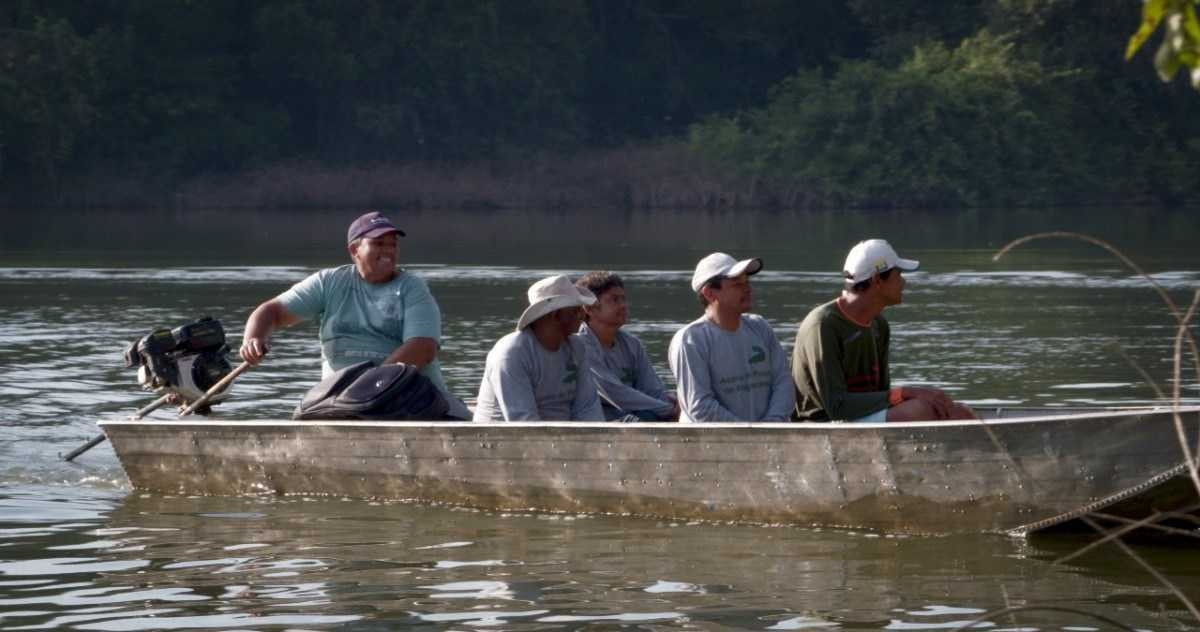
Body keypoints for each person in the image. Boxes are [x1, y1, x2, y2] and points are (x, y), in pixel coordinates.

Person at [239, 210, 470, 419]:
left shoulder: (412, 288)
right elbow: (271, 312)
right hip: (340, 402)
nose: (388, 251)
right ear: (354, 250)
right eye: (379, 243)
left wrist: (370, 389)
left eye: (393, 244)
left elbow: (423, 348)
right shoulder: (328, 282)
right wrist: (254, 338)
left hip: (410, 398)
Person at [791, 238, 976, 422]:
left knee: (960, 412)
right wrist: (908, 393)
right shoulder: (823, 325)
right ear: (877, 280)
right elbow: (837, 406)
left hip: (861, 416)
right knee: (921, 411)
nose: (903, 283)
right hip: (825, 423)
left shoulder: (879, 325)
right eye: (898, 275)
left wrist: (923, 397)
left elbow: (881, 395)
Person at [668, 252, 795, 422]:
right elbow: (699, 406)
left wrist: (771, 424)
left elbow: (783, 382)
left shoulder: (760, 327)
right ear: (709, 294)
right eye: (737, 284)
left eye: (746, 282)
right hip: (715, 444)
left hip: (766, 438)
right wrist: (747, 433)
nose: (748, 288)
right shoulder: (690, 340)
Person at [473, 274, 605, 421]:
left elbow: (588, 408)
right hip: (502, 440)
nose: (582, 316)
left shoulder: (577, 347)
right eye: (576, 310)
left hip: (562, 437)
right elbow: (523, 421)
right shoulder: (512, 354)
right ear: (555, 315)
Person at [575, 271, 677, 421]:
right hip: (602, 425)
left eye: (623, 299)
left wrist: (673, 408)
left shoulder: (632, 344)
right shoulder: (580, 346)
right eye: (614, 300)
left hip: (636, 417)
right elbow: (615, 393)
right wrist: (668, 409)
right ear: (589, 308)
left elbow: (653, 389)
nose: (623, 305)